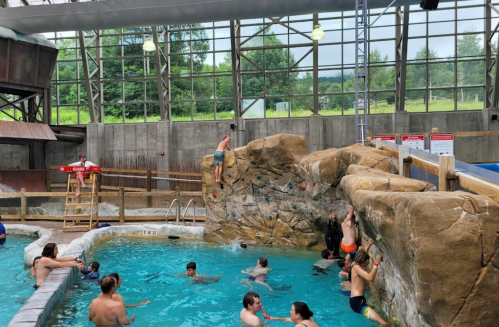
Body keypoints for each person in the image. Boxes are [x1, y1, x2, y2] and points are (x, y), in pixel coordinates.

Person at [350, 249, 387, 325]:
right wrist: (376, 263)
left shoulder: (356, 266)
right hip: (358, 302)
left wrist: (368, 247)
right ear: (366, 261)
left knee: (375, 311)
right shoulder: (356, 268)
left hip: (357, 301)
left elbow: (360, 253)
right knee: (383, 323)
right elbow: (370, 278)